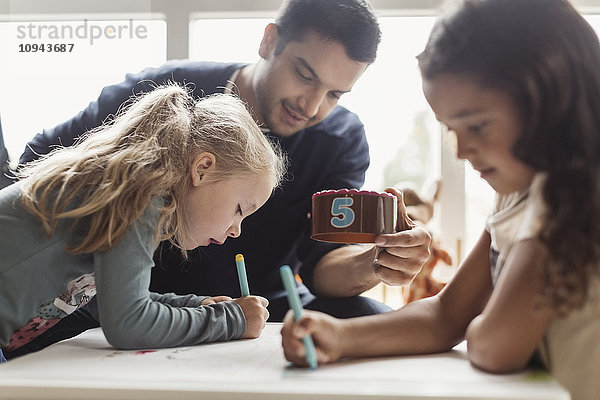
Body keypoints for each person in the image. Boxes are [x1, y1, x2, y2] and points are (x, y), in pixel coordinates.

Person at [18, 0, 431, 329]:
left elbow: (324, 265)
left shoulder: (339, 139)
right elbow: (39, 162)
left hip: (265, 302)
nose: (310, 106)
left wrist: (378, 263)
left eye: (335, 94)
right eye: (305, 75)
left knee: (375, 318)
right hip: (137, 295)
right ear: (269, 41)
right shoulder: (167, 94)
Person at [280, 1, 600, 399]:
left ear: (550, 99)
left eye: (477, 125)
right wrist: (342, 336)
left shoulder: (566, 206)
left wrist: (483, 317)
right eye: (451, 128)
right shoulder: (515, 198)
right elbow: (445, 314)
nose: (462, 149)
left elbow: (494, 347)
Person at [0, 84, 287, 362]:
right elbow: (126, 322)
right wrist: (232, 320)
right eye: (239, 209)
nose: (236, 230)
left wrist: (195, 306)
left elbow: (107, 301)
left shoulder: (125, 185)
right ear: (203, 169)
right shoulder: (138, 193)